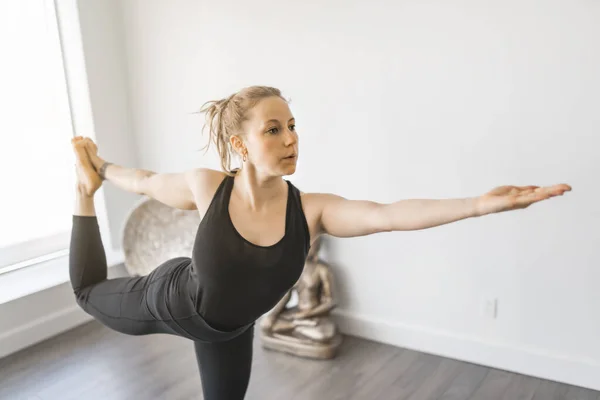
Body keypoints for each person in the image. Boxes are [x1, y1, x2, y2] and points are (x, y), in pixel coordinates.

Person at [69, 85, 571, 400]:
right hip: (173, 300)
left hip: (229, 330)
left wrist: (479, 204)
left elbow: (389, 215)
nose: (290, 138)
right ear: (241, 145)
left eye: (292, 126)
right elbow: (147, 181)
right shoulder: (207, 188)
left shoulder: (311, 211)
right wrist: (102, 170)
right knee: (87, 293)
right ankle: (81, 192)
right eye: (273, 129)